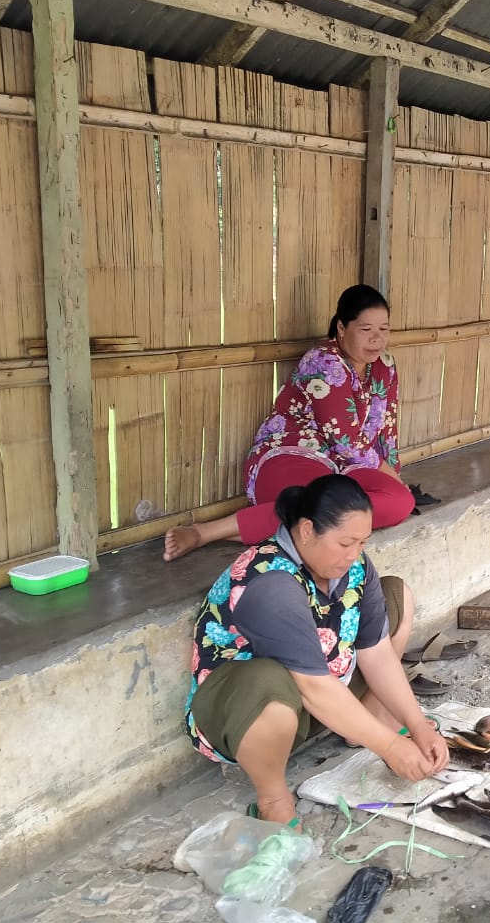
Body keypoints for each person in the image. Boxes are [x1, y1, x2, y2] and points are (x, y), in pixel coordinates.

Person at [184, 474, 448, 823]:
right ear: (307, 531)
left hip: (321, 691)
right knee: (268, 680)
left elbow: (377, 653)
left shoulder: (355, 569)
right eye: (345, 543)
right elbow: (311, 685)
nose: (354, 556)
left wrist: (416, 725)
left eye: (362, 543)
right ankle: (273, 799)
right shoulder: (270, 581)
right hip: (245, 712)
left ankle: (368, 721)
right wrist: (390, 746)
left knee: (395, 596)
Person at [163, 284, 415, 562]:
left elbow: (386, 429)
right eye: (366, 329)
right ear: (342, 328)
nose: (377, 339)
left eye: (384, 329)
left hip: (346, 467)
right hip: (295, 453)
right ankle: (203, 532)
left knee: (401, 501)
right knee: (311, 510)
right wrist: (389, 478)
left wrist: (394, 477)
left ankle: (318, 520)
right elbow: (347, 442)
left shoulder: (384, 365)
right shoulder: (323, 362)